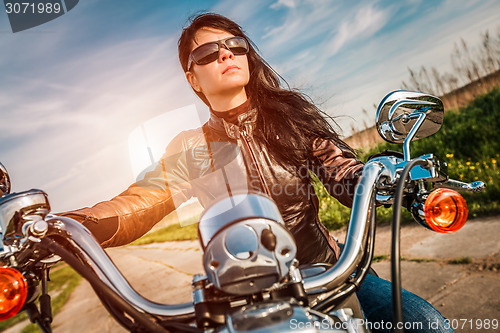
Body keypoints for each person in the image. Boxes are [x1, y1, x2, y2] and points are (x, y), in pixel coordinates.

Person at [61, 13, 453, 333]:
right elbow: (137, 204)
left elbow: (339, 169)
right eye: (209, 52)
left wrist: (384, 176)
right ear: (192, 77)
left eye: (235, 46)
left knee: (428, 325)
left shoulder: (290, 117)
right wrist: (63, 226)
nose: (225, 55)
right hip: (245, 293)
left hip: (328, 270)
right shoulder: (191, 148)